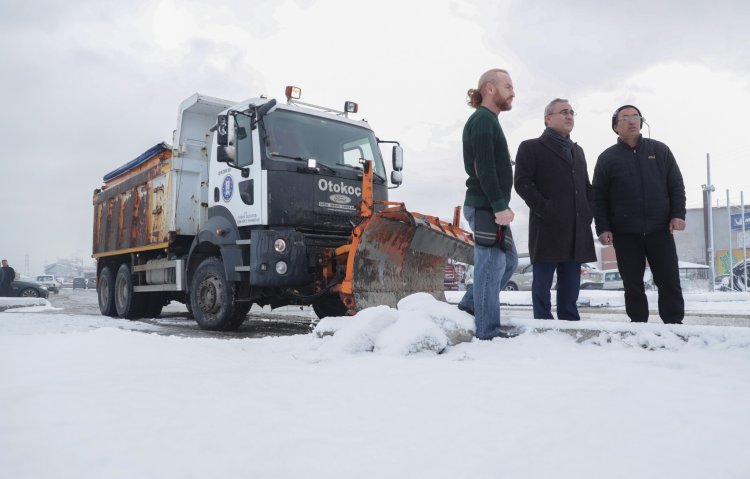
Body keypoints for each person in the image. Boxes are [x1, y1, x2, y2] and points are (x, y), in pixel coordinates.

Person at [592, 105, 686, 324]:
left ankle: (674, 323)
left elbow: (676, 184)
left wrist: (677, 214)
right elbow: (598, 197)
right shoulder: (607, 158)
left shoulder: (660, 150)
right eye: (625, 118)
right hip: (625, 232)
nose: (632, 121)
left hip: (660, 229)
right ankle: (638, 324)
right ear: (616, 126)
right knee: (632, 283)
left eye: (635, 116)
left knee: (669, 279)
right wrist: (603, 227)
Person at [514, 99, 596, 320]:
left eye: (571, 112)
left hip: (576, 228)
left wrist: (588, 212)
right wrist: (546, 209)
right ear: (547, 118)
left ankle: (570, 324)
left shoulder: (577, 151)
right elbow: (522, 183)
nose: (569, 116)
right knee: (542, 283)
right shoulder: (530, 147)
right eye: (563, 112)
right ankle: (543, 325)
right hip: (547, 227)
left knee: (571, 286)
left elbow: (586, 187)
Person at [456, 68, 519, 340]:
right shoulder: (483, 119)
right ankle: (488, 331)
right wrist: (498, 206)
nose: (513, 92)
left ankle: (471, 305)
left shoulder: (490, 120)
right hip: (486, 206)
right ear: (490, 88)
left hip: (491, 206)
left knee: (508, 262)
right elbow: (484, 167)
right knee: (492, 267)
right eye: (508, 86)